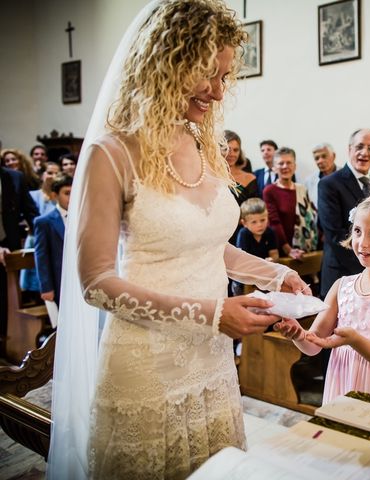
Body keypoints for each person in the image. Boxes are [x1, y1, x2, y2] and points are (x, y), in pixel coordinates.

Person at [47, 2, 309, 478]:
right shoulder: (113, 152)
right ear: (168, 61)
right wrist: (213, 314)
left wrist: (277, 272)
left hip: (210, 361)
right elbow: (97, 283)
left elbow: (207, 245)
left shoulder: (203, 143)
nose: (216, 90)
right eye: (207, 72)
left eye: (225, 76)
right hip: (146, 366)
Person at [276, 192, 370, 404]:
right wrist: (299, 334)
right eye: (357, 231)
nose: (362, 243)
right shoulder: (341, 286)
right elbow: (315, 344)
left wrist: (355, 340)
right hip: (343, 382)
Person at [317, 128, 370, 298]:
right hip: (341, 274)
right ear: (349, 149)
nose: (364, 152)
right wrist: (368, 263)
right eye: (359, 146)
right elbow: (335, 235)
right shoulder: (329, 184)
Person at [0, 166, 39, 355]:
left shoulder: (14, 177)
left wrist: (44, 240)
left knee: (5, 300)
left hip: (10, 245)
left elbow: (31, 212)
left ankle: (5, 348)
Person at [263, 147, 318, 260]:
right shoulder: (269, 191)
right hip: (284, 251)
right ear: (273, 168)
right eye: (281, 163)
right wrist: (288, 249)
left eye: (289, 163)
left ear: (295, 166)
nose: (285, 166)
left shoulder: (302, 189)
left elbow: (312, 216)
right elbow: (274, 222)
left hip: (306, 249)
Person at [34, 174, 72, 306]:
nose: (72, 197)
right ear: (55, 196)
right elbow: (41, 256)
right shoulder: (44, 222)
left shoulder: (83, 218)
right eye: (67, 193)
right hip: (59, 279)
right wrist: (46, 287)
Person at [232, 197, 278, 296]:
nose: (260, 225)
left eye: (263, 220)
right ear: (244, 223)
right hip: (243, 279)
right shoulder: (243, 234)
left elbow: (274, 253)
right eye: (254, 222)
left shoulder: (270, 233)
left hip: (264, 276)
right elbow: (242, 260)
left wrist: (271, 260)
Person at [304, 142, 338, 207]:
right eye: (317, 158)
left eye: (324, 156)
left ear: (333, 156)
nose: (320, 161)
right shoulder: (309, 181)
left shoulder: (346, 176)